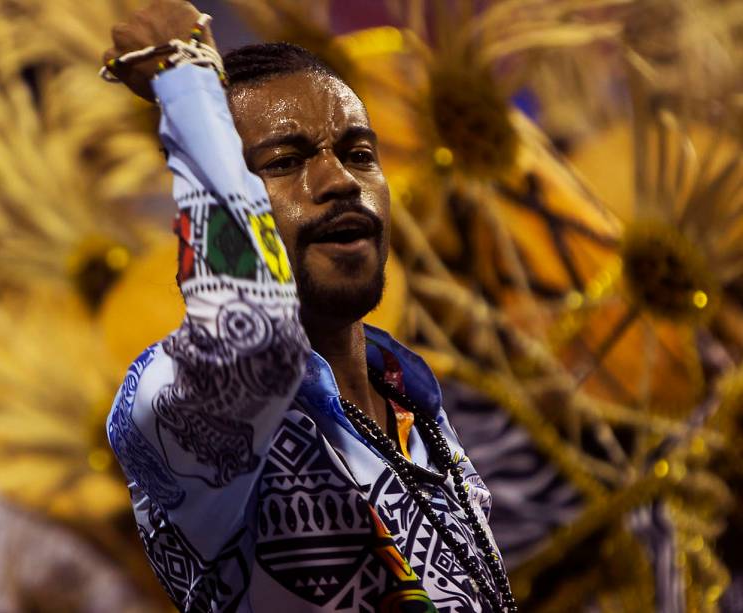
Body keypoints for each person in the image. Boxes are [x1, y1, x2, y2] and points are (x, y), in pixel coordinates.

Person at [103, 2, 516, 611]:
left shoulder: (416, 411)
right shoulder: (174, 402)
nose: (340, 181)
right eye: (284, 162)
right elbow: (256, 338)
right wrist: (184, 79)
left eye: (359, 153)